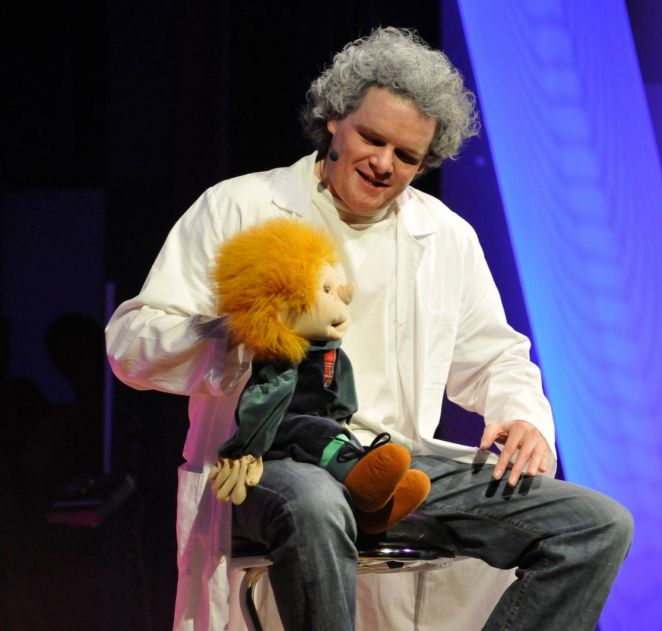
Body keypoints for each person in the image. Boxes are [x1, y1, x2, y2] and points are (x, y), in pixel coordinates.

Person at [106, 27, 633, 631]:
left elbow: (494, 357)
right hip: (268, 465)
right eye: (372, 138)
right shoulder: (239, 208)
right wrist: (234, 334)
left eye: (406, 156)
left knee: (596, 526)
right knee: (316, 500)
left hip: (395, 465)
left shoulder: (446, 236)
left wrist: (523, 417)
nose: (384, 164)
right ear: (334, 119)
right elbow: (131, 344)